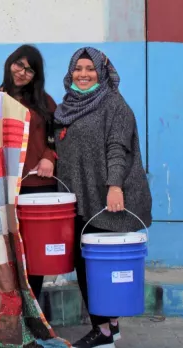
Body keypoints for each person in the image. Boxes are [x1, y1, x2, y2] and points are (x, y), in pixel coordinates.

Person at [53, 47, 152, 348]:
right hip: (81, 195)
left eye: (90, 68)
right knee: (89, 263)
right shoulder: (67, 106)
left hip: (107, 197)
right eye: (78, 68)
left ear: (102, 71)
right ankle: (110, 327)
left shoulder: (113, 105)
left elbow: (117, 148)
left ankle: (103, 332)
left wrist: (115, 186)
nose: (83, 74)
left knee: (94, 267)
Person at [0, 45, 57, 300]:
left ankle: (34, 313)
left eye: (30, 70)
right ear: (10, 63)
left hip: (37, 186)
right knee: (5, 251)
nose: (22, 72)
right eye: (18, 65)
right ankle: (12, 313)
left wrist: (48, 157)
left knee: (34, 253)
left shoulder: (45, 102)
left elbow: (57, 137)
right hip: (3, 188)